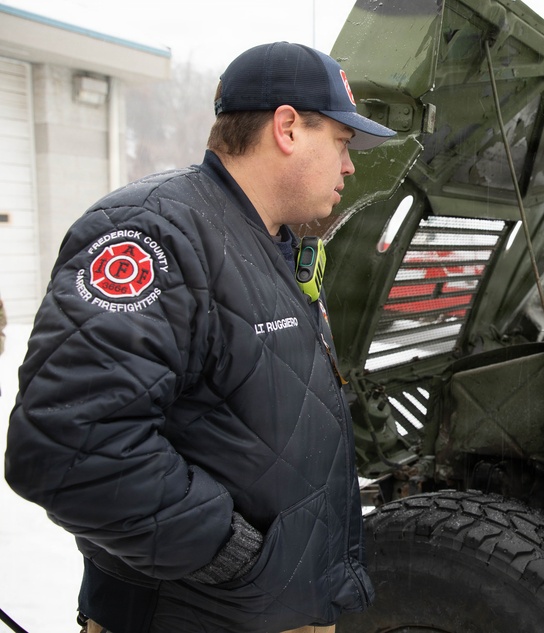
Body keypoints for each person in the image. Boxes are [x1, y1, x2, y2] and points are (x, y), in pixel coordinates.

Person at [4, 42, 395, 633]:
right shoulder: (157, 233)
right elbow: (68, 446)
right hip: (197, 614)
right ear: (287, 128)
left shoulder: (268, 244)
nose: (349, 166)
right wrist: (232, 555)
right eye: (342, 143)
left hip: (265, 609)